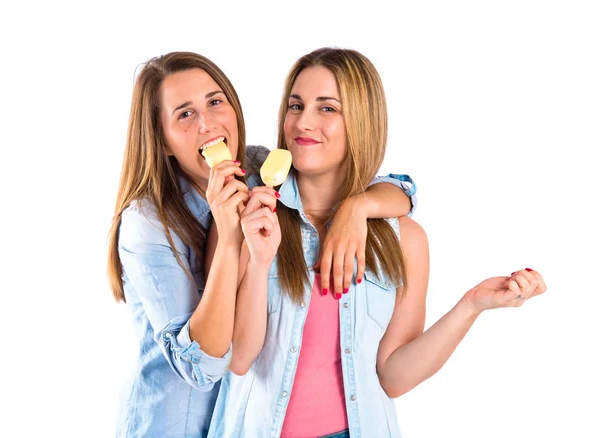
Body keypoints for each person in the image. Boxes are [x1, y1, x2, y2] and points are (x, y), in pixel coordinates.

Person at [207, 47, 547, 438]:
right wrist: (259, 258)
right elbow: (239, 358)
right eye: (296, 105)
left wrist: (471, 305)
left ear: (361, 120)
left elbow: (392, 377)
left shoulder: (404, 240)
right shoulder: (244, 215)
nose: (303, 122)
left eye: (327, 108)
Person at [107, 51, 417, 437]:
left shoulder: (257, 169)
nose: (208, 124)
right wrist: (229, 238)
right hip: (176, 424)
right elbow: (203, 367)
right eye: (184, 114)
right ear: (162, 140)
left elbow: (379, 181)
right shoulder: (147, 225)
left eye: (215, 102)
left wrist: (360, 205)